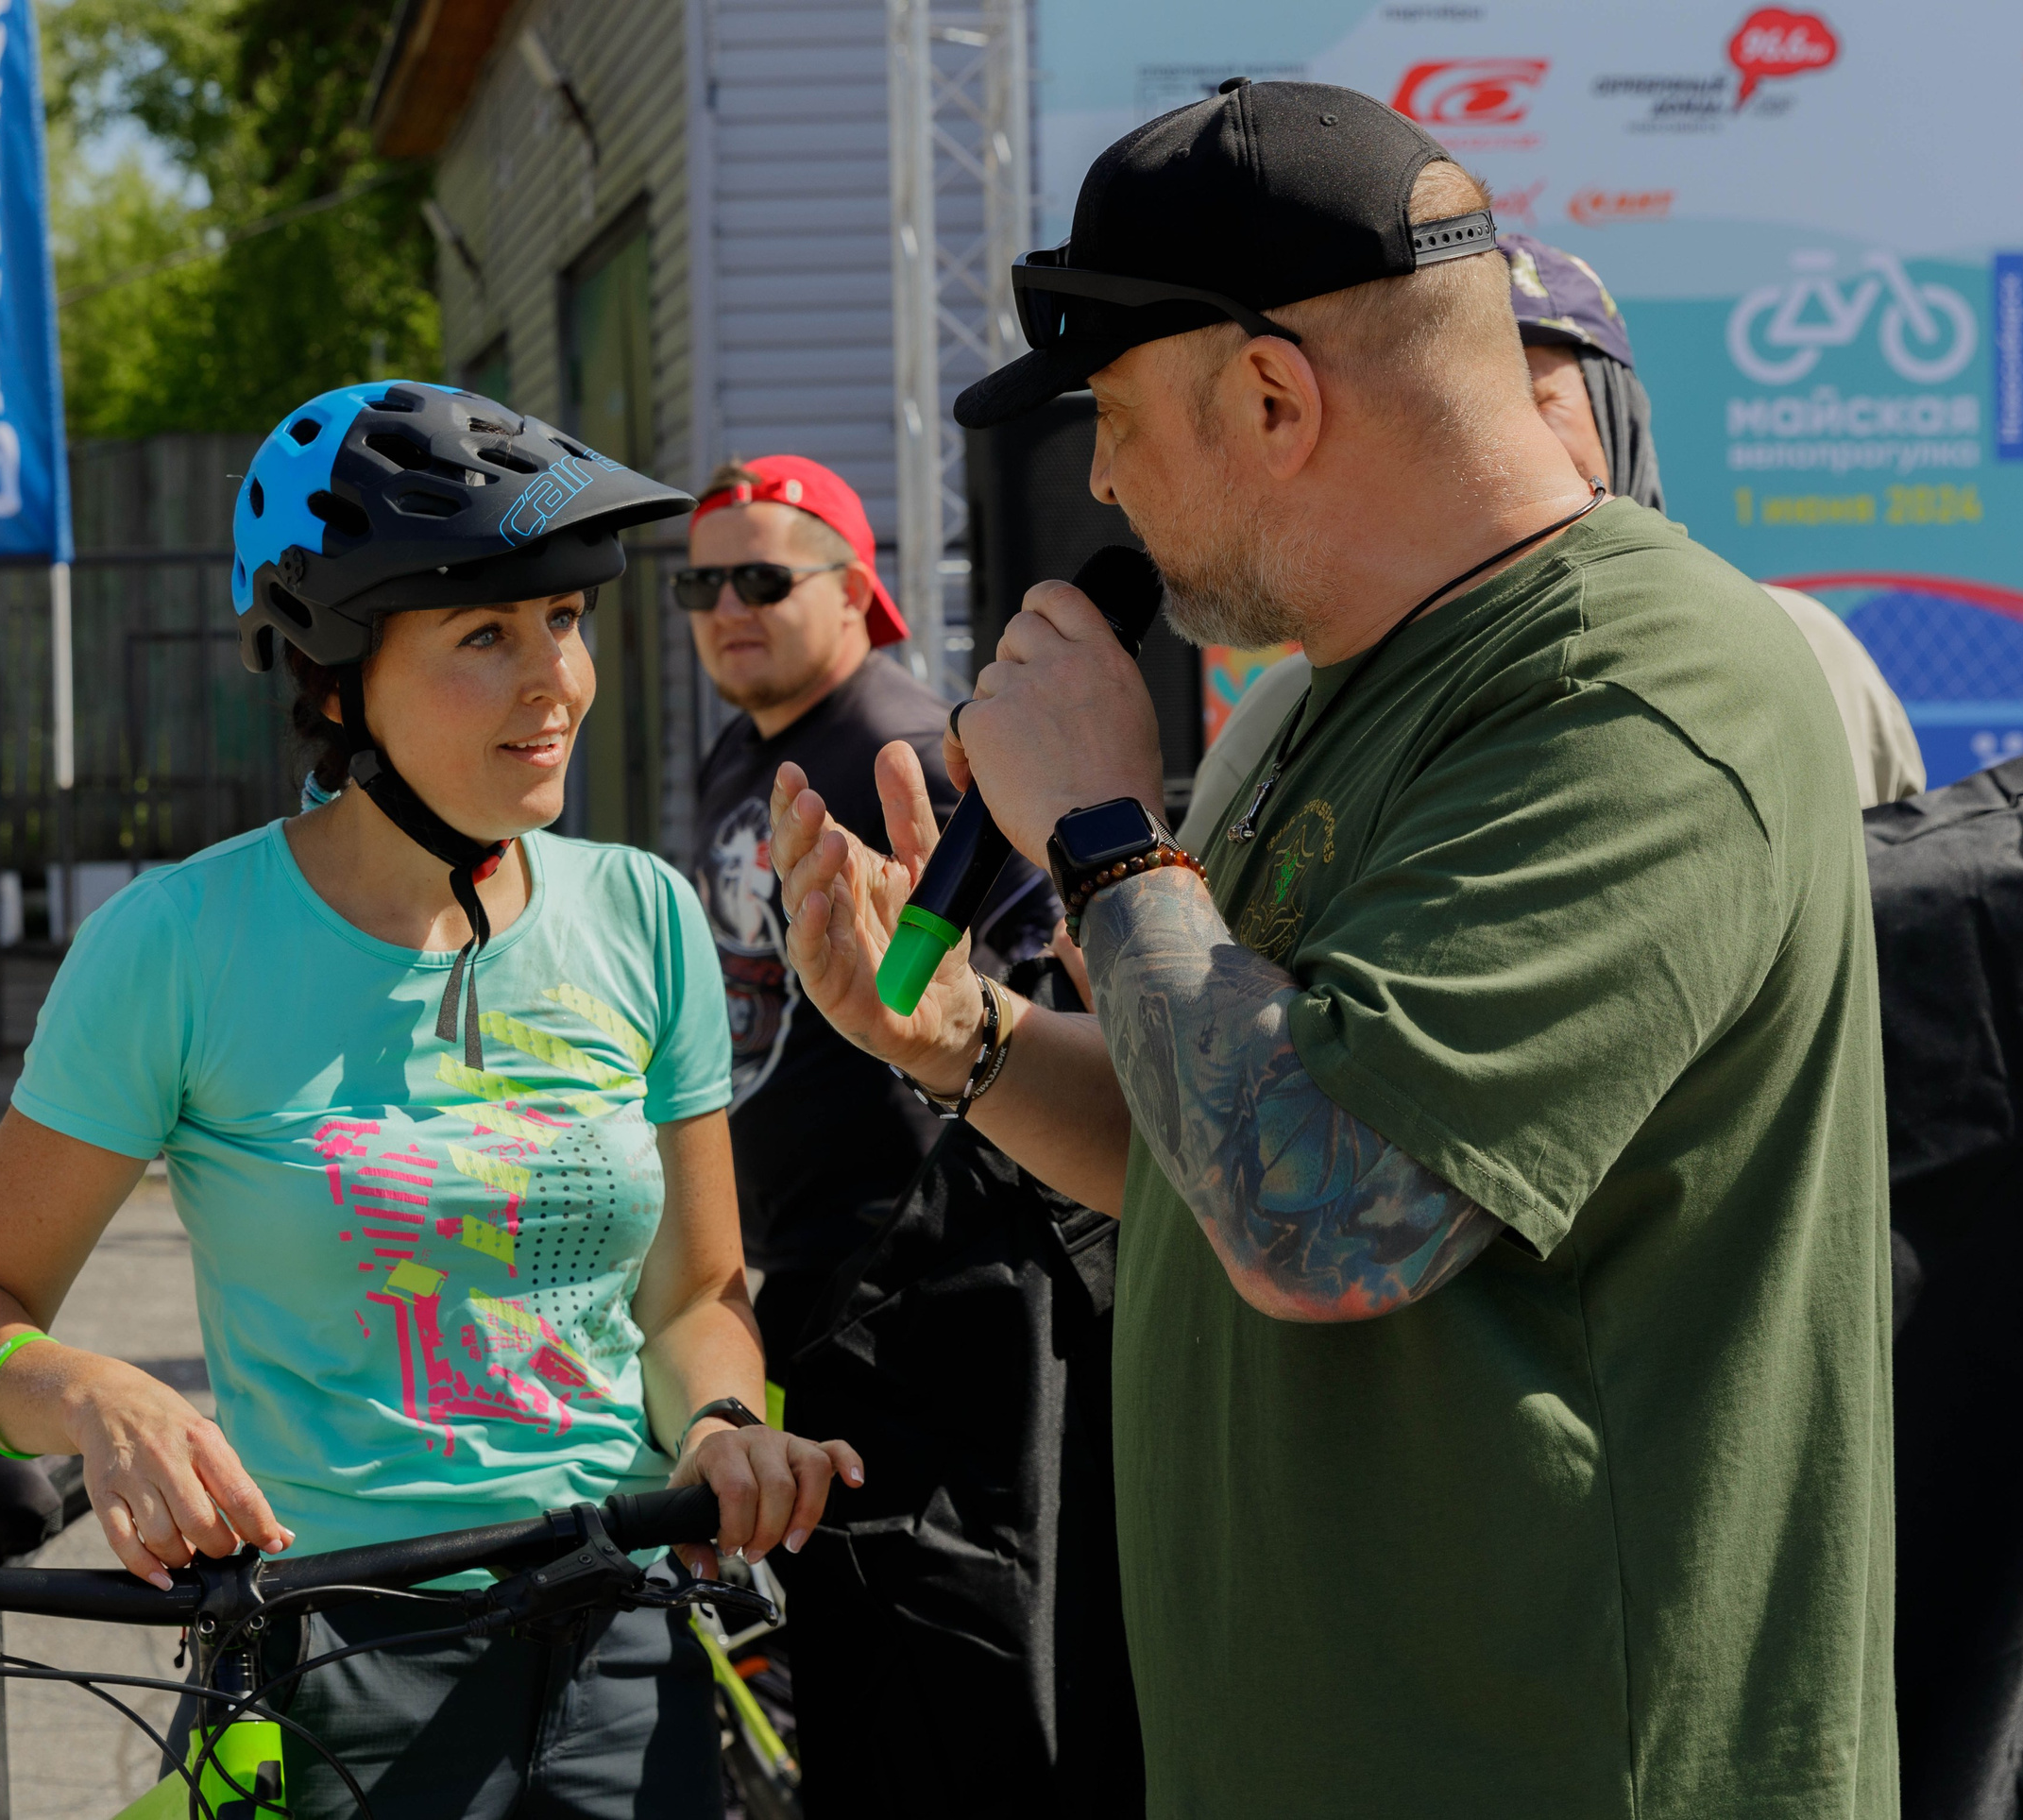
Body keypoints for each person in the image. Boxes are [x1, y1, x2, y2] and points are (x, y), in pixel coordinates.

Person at [768, 80, 1895, 1819]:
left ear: (1275, 398)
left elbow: (1325, 1209)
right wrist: (963, 1038)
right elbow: (1211, 1144)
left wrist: (1105, 834)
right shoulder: (1319, 697)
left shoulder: (1643, 682)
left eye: (1115, 413)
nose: (1101, 477)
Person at [0, 383, 862, 1820]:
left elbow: (692, 1296)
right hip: (337, 1648)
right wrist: (96, 1395)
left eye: (565, 620)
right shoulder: (179, 943)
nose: (556, 681)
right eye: (486, 634)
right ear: (337, 674)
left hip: (620, 1628)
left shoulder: (644, 914)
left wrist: (721, 1423)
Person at [1183, 231, 1923, 845]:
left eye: (1529, 402)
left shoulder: (1803, 645)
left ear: (1617, 418)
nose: (1496, 455)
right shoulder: (1295, 709)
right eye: (1457, 417)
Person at [681, 455, 1058, 1365]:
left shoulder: (913, 751)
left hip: (918, 1272)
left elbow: (1053, 968)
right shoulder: (738, 746)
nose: (726, 608)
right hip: (788, 1258)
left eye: (761, 580)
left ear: (852, 591)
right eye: (701, 585)